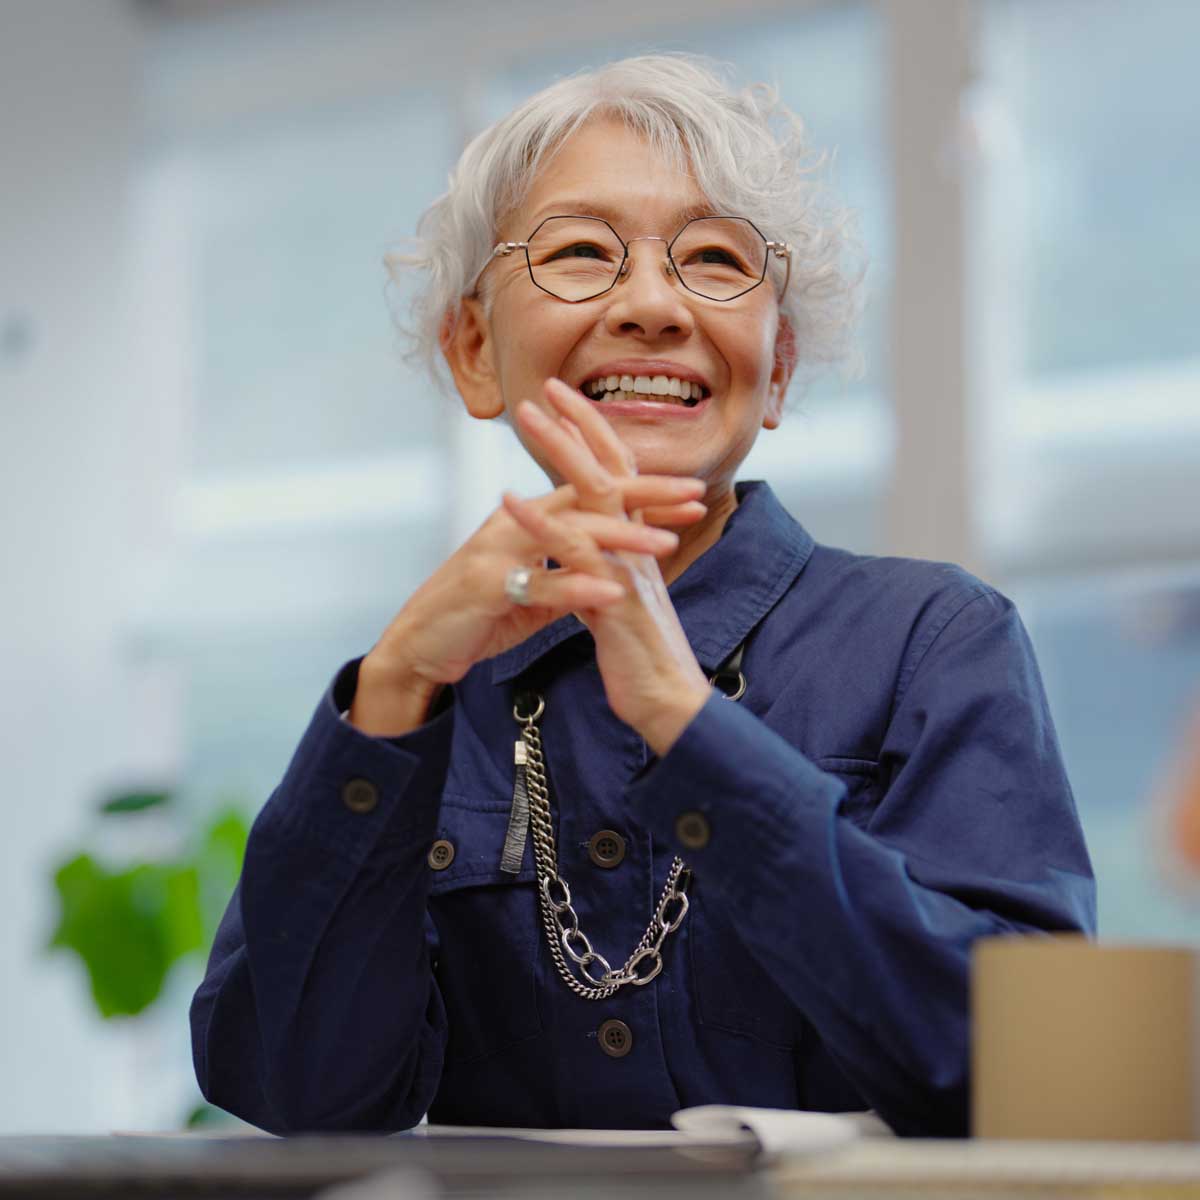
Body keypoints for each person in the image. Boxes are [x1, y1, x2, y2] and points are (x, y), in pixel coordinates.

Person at [190, 54, 1095, 1138]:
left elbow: (1030, 1076)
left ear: (780, 363)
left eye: (714, 260)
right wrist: (390, 694)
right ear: (476, 351)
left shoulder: (933, 642)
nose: (655, 306)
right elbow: (295, 1091)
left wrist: (682, 715)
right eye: (580, 254)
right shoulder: (420, 698)